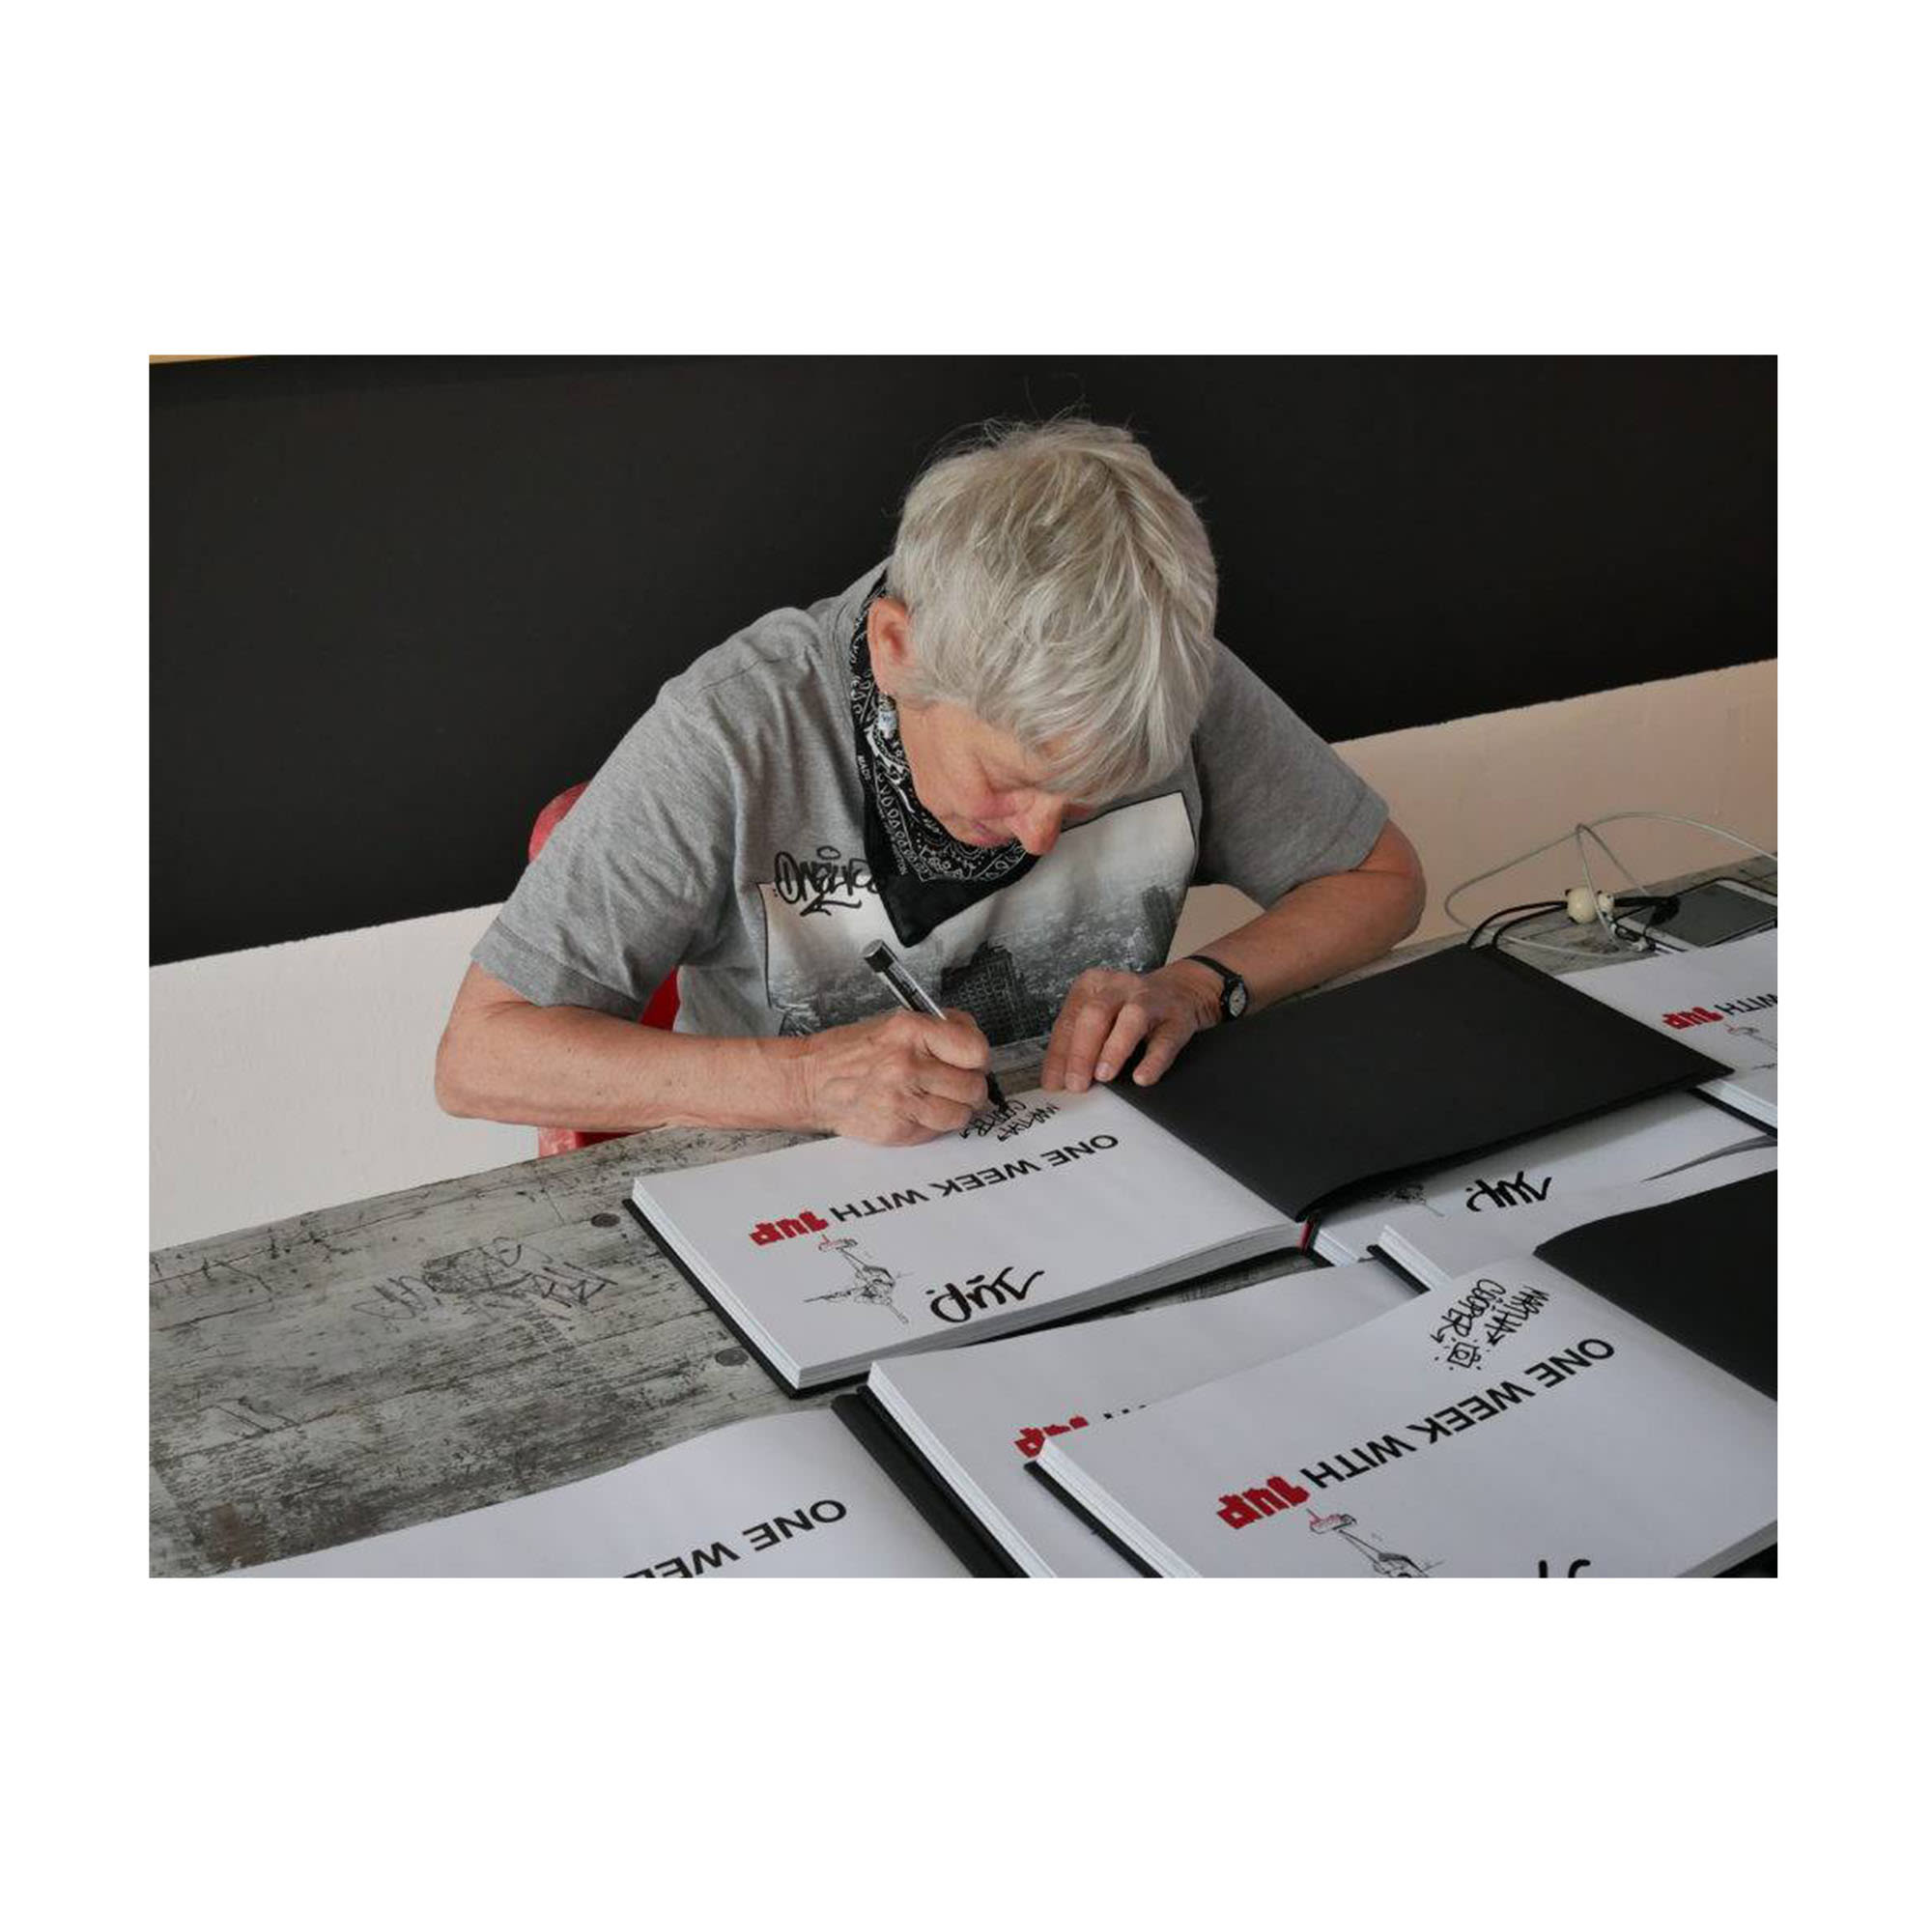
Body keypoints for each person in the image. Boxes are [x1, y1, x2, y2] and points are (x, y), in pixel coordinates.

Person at [436, 420, 1426, 1146]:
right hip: (789, 1201)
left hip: (1088, 1166)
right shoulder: (732, 732)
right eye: (1010, 779)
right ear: (898, 648)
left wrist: (1198, 987)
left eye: (1092, 791)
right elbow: (479, 1056)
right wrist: (810, 1082)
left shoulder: (1162, 680)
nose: (1042, 836)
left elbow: (1380, 878)